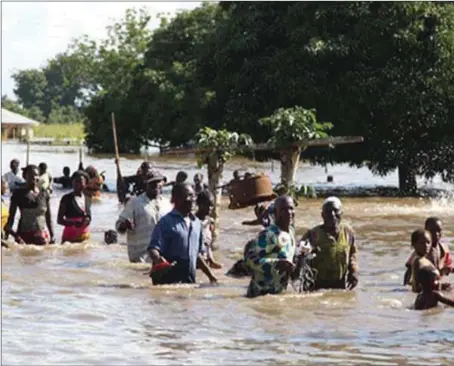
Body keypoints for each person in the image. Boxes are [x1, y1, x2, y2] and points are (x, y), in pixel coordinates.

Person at [148, 183, 218, 285]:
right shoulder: (166, 223)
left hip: (189, 282)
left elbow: (197, 255)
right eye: (188, 195)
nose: (193, 199)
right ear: (176, 199)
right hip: (168, 284)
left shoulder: (197, 223)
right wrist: (159, 260)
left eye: (194, 195)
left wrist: (211, 276)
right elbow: (153, 248)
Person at [301, 197, 358, 290]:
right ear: (322, 215)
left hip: (340, 285)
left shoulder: (348, 232)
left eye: (336, 211)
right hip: (317, 287)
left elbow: (352, 254)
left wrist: (353, 271)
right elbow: (300, 256)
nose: (332, 215)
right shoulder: (313, 234)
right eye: (328, 211)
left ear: (342, 214)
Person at [244, 196, 297, 298]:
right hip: (259, 295)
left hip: (278, 294)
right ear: (275, 212)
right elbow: (249, 260)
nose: (289, 212)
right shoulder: (269, 235)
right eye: (283, 209)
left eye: (291, 208)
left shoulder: (290, 232)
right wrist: (275, 264)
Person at [116, 170, 172, 263]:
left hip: (162, 257)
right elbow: (119, 226)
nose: (156, 185)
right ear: (146, 184)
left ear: (162, 183)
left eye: (158, 182)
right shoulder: (134, 203)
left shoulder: (167, 204)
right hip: (140, 258)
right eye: (152, 183)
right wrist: (124, 225)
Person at [5, 165, 55, 245]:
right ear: (25, 176)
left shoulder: (44, 194)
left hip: (41, 236)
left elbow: (48, 217)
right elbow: (10, 220)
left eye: (36, 175)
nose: (34, 178)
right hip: (24, 236)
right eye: (31, 176)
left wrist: (52, 235)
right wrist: (12, 236)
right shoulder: (18, 194)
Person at [404, 218, 453, 286]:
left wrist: (445, 270)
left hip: (435, 283)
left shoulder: (444, 248)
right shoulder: (421, 252)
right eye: (432, 231)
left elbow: (447, 268)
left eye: (439, 230)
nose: (436, 234)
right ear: (426, 231)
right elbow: (409, 273)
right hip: (425, 288)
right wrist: (406, 287)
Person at [57, 171, 91, 243]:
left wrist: (87, 220)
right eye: (75, 181)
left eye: (80, 182)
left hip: (84, 237)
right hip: (69, 238)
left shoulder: (88, 198)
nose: (77, 184)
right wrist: (73, 223)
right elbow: (59, 220)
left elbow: (88, 216)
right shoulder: (66, 199)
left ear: (85, 184)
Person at [195, 190, 223, 269]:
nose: (210, 208)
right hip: (197, 260)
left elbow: (208, 244)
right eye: (207, 205)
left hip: (206, 257)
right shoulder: (194, 222)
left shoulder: (209, 221)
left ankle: (211, 261)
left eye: (211, 205)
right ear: (199, 204)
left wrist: (211, 259)